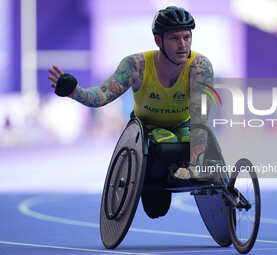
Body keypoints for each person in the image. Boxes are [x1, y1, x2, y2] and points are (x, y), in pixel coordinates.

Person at [48, 6, 213, 180]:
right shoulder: (136, 66)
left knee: (190, 142)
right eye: (174, 38)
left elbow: (199, 120)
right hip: (149, 127)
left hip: (183, 125)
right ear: (158, 40)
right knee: (168, 144)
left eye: (187, 37)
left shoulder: (200, 67)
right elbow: (103, 94)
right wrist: (75, 92)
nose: (182, 45)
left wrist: (196, 165)